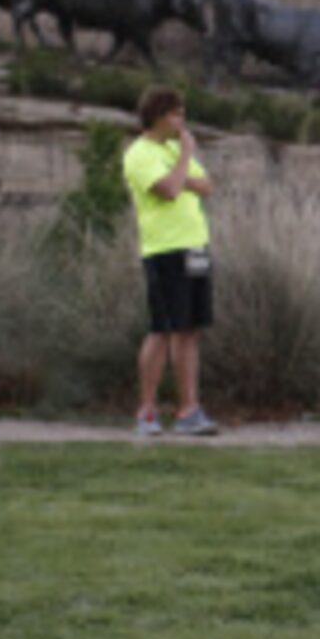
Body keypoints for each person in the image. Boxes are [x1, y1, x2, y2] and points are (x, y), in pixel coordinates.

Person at [120, 86, 218, 437]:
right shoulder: (140, 154)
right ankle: (147, 411)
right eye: (177, 114)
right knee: (163, 329)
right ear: (159, 117)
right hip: (164, 250)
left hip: (195, 246)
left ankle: (189, 410)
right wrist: (184, 162)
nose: (183, 121)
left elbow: (206, 185)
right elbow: (169, 190)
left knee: (189, 330)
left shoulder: (175, 149)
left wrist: (182, 172)